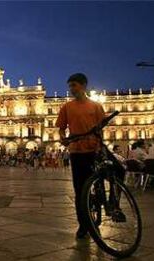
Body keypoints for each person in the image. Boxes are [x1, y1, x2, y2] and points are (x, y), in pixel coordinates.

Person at [56, 73, 105, 239]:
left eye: (74, 85)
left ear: (83, 85)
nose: (71, 89)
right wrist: (63, 137)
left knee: (97, 186)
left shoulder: (97, 106)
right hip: (76, 151)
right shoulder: (66, 107)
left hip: (94, 150)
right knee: (79, 190)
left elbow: (100, 129)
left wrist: (101, 147)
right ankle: (83, 224)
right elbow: (61, 128)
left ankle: (101, 215)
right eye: (70, 86)